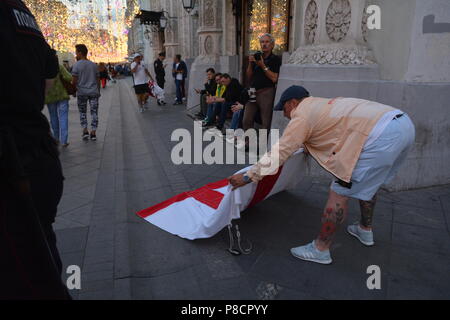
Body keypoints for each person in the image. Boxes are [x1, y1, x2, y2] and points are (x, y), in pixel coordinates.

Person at [229, 85, 416, 265]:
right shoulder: (323, 105)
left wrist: (248, 176)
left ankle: (321, 249)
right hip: (403, 124)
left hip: (380, 136)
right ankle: (364, 230)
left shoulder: (302, 114)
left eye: (284, 109)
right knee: (368, 183)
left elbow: (280, 152)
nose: (285, 115)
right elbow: (331, 133)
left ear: (293, 103)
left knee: (339, 191)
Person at [0, 0, 70, 299]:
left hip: (12, 166)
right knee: (41, 260)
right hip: (37, 152)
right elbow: (48, 69)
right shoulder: (20, 10)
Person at [243, 33, 281, 134]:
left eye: (267, 42)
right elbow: (249, 76)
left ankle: (263, 146)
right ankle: (249, 142)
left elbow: (274, 78)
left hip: (266, 92)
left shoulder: (275, 59)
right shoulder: (257, 57)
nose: (264, 44)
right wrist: (251, 63)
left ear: (272, 45)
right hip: (252, 91)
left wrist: (262, 65)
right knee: (246, 119)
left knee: (266, 121)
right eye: (262, 42)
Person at [72, 44, 100, 141]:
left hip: (82, 93)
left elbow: (74, 80)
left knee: (82, 112)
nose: (75, 54)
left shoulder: (76, 65)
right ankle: (93, 133)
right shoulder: (93, 65)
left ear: (80, 53)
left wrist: (74, 91)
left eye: (76, 52)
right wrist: (98, 91)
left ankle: (85, 131)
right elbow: (98, 80)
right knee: (94, 112)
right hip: (93, 92)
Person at [45, 61, 73, 148]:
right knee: (63, 117)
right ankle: (64, 141)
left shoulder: (43, 68)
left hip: (50, 97)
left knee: (53, 117)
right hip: (62, 95)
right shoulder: (59, 67)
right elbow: (69, 77)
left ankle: (56, 138)